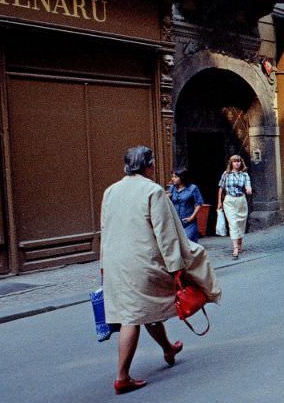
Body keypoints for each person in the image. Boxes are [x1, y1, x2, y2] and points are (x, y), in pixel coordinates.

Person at [101, 146, 221, 395]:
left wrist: (103, 265)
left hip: (116, 263)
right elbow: (165, 233)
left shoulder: (110, 191)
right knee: (132, 318)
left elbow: (106, 230)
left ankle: (167, 347)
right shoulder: (153, 191)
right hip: (143, 262)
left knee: (143, 308)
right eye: (153, 163)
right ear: (148, 166)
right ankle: (122, 377)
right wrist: (176, 266)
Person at [217, 155, 252, 259]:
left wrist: (248, 189)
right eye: (235, 162)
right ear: (231, 163)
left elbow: (248, 185)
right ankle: (235, 248)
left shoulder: (244, 175)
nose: (237, 163)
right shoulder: (226, 174)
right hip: (229, 200)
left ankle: (240, 243)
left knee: (241, 222)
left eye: (239, 161)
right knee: (233, 223)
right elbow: (221, 188)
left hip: (241, 200)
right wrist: (219, 202)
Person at [168, 169, 204, 242]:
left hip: (188, 221)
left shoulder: (192, 188)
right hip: (176, 221)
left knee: (189, 243)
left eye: (175, 177)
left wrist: (192, 217)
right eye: (172, 177)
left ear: (182, 177)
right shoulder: (172, 188)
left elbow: (199, 203)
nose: (173, 179)